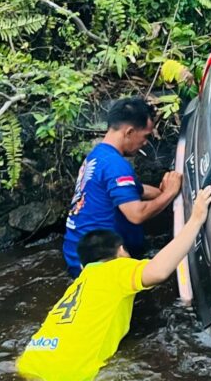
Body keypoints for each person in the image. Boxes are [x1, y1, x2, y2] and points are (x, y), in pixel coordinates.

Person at [18, 187, 211, 381]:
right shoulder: (115, 268)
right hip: (70, 378)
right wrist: (196, 219)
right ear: (122, 251)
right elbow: (159, 271)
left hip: (29, 363)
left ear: (83, 266)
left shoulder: (79, 283)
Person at [63, 97, 182, 277]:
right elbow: (137, 214)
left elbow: (134, 189)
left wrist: (161, 192)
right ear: (129, 132)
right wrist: (170, 193)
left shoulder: (98, 156)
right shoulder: (116, 165)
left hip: (78, 253)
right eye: (145, 136)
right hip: (100, 263)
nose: (145, 143)